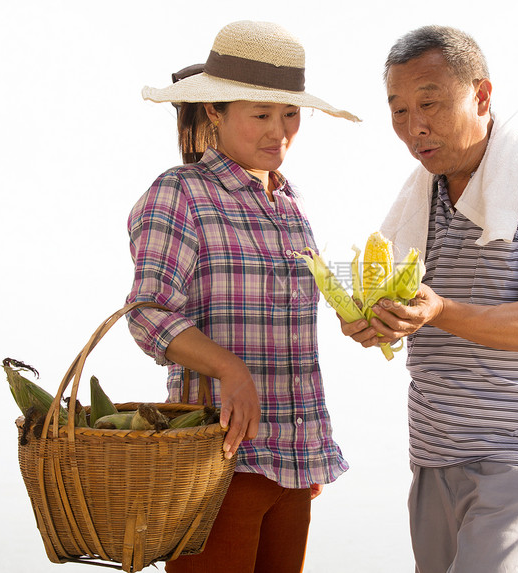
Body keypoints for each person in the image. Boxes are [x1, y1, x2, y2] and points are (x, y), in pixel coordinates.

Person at [342, 26, 518, 573]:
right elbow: (410, 308)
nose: (415, 127)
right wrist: (375, 321)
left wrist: (439, 310)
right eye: (400, 110)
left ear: (481, 96)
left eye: (429, 103)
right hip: (434, 443)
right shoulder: (419, 197)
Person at [125, 20, 358, 573]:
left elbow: (294, 334)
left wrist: (308, 454)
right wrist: (231, 370)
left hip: (294, 465)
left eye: (291, 114)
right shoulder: (179, 193)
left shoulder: (291, 205)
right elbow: (146, 315)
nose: (280, 132)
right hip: (216, 464)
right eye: (261, 115)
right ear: (214, 111)